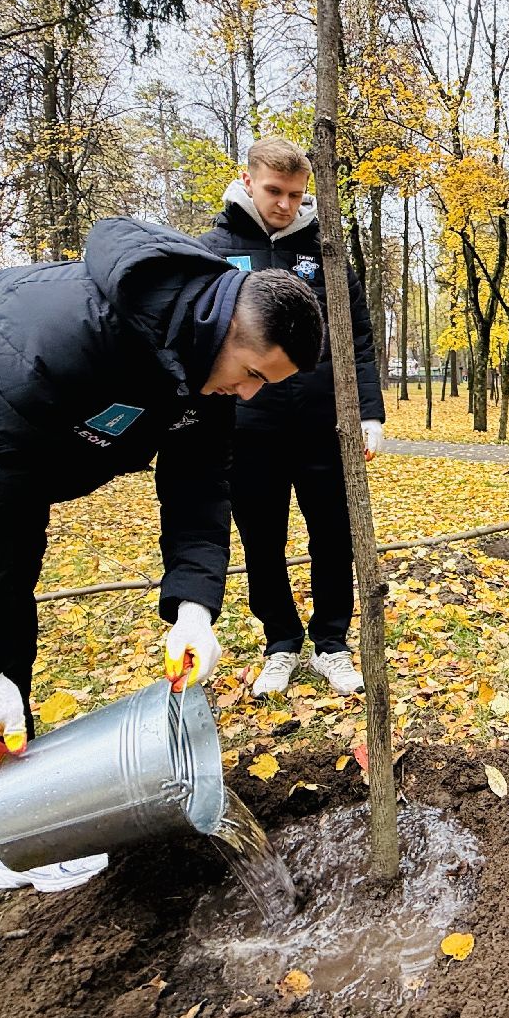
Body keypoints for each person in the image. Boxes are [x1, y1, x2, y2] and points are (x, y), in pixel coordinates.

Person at [0, 217, 323, 891]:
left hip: (10, 460)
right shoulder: (62, 329)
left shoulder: (201, 366)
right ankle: (19, 837)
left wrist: (195, 607)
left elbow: (200, 488)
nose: (252, 393)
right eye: (253, 373)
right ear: (224, 326)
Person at [197, 137, 384, 698]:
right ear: (249, 180)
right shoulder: (212, 249)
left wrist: (368, 413)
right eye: (275, 190)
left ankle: (331, 642)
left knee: (334, 537)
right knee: (262, 541)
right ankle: (280, 642)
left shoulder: (325, 252)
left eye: (296, 194)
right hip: (246, 429)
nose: (284, 204)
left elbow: (360, 340)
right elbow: (199, 338)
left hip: (322, 425)